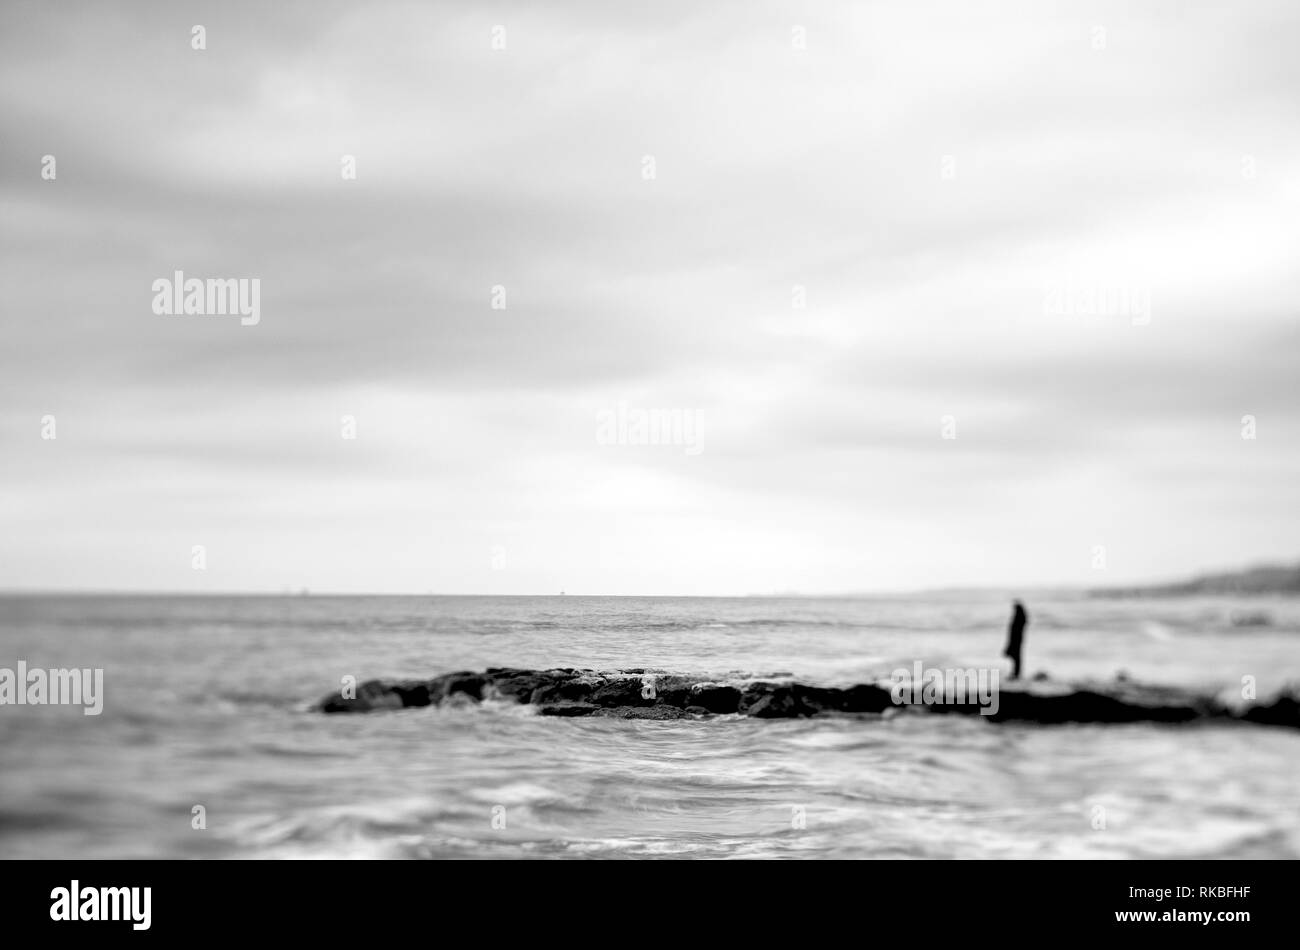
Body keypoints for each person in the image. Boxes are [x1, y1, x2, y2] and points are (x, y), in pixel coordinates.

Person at [1004, 600, 1027, 679]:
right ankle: (1016, 673)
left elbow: (1014, 631)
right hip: (1017, 640)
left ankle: (1016, 673)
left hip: (1016, 640)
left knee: (1016, 657)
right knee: (1015, 657)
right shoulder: (1020, 619)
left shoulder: (1018, 619)